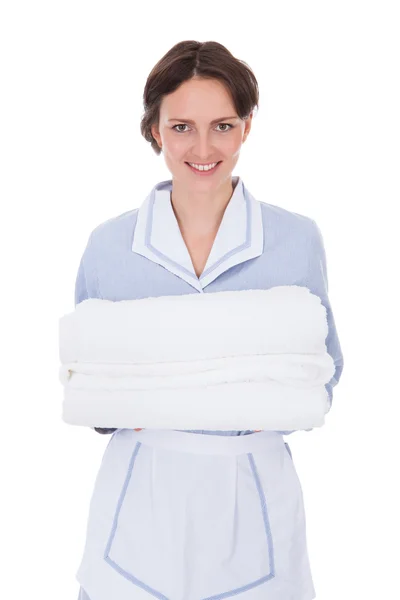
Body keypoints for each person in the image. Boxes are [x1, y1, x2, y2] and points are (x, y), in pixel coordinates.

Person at [74, 40, 344, 600]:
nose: (202, 147)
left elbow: (322, 374)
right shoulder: (109, 246)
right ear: (155, 130)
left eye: (222, 126)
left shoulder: (295, 241)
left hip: (255, 502)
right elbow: (87, 380)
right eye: (181, 127)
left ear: (247, 127)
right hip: (142, 501)